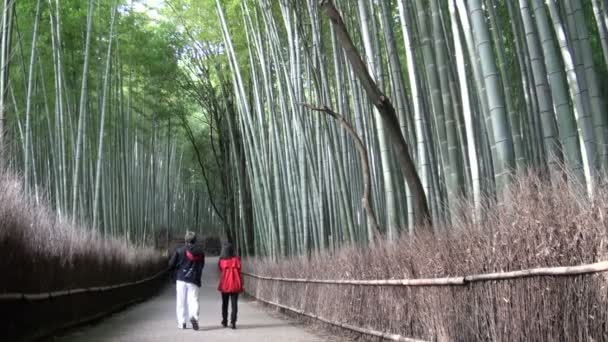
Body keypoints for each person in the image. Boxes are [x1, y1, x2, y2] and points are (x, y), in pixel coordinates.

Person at [169, 231, 205, 330]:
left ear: (185, 240)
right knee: (193, 300)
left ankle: (182, 323)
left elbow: (171, 264)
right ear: (195, 240)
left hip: (181, 278)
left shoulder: (179, 251)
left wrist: (173, 274)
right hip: (194, 278)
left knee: (180, 301)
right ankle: (194, 317)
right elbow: (202, 266)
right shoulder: (200, 252)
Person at [218, 242, 242, 329]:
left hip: (225, 284)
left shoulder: (221, 261)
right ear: (232, 250)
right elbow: (240, 269)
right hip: (235, 283)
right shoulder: (237, 259)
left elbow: (220, 269)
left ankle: (224, 321)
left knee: (225, 303)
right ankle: (233, 322)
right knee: (234, 304)